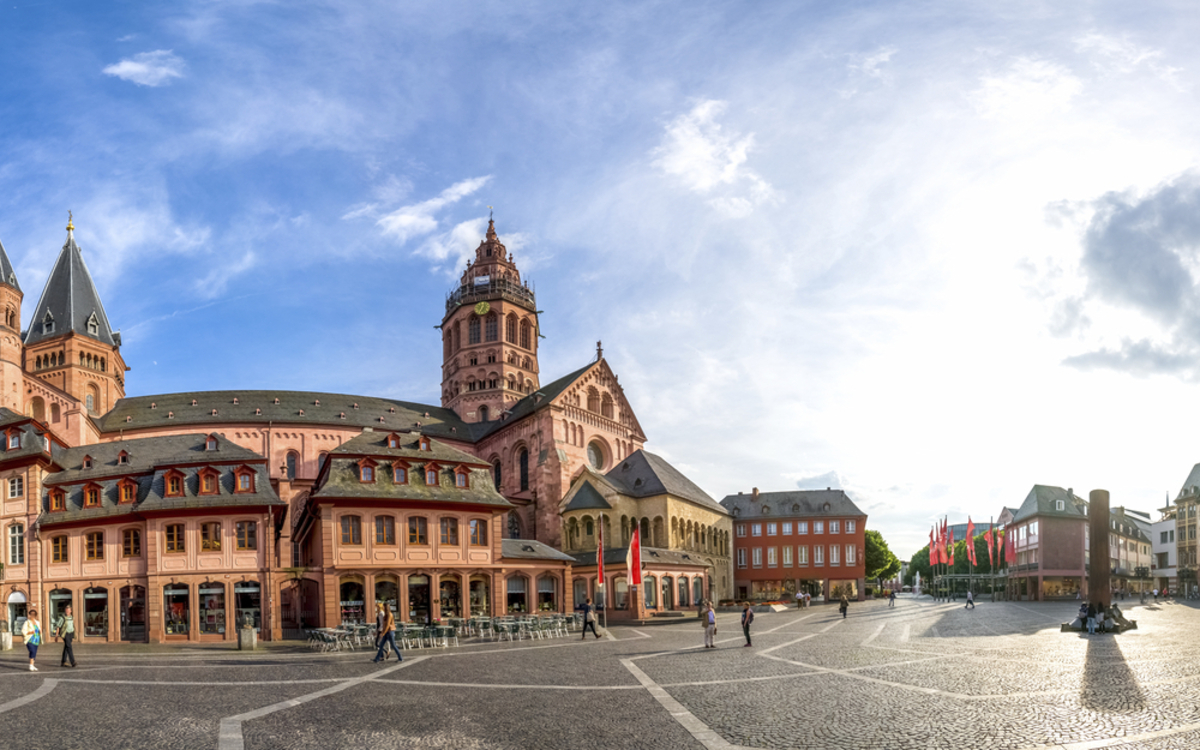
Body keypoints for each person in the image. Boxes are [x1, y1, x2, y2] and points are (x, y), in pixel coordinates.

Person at [55, 604, 77, 668]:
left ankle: (63, 661)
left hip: (70, 633)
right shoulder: (62, 618)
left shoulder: (72, 617)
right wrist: (56, 636)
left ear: (71, 611)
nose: (67, 611)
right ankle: (73, 661)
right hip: (65, 634)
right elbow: (58, 627)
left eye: (68, 610)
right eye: (66, 610)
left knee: (66, 647)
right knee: (69, 647)